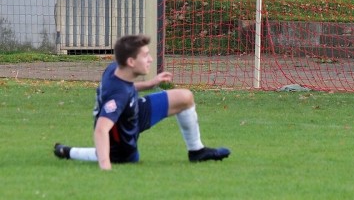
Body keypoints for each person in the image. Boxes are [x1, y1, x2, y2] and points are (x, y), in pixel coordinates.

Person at [54, 34, 230, 170]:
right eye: (145, 55)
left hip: (134, 110)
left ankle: (197, 151)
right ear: (130, 61)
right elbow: (101, 129)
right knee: (123, 157)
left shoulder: (115, 69)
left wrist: (150, 84)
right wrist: (105, 167)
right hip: (123, 135)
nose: (150, 59)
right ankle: (70, 152)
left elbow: (126, 87)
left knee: (185, 97)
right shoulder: (118, 96)